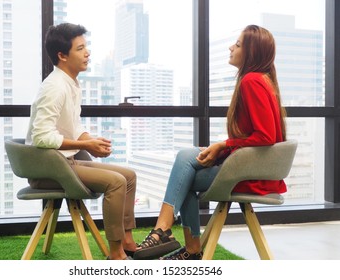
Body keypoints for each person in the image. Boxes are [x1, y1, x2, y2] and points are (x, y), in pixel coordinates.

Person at [133, 25, 287, 260]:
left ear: (251, 51)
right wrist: (222, 149)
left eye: (237, 44)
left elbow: (266, 137)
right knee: (186, 156)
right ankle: (169, 234)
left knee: (186, 176)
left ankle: (172, 235)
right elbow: (259, 137)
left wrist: (224, 146)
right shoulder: (261, 80)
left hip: (252, 178)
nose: (231, 47)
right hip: (254, 170)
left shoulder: (251, 81)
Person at [26, 23, 138, 260]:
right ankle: (116, 254)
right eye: (80, 48)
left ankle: (127, 241)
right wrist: (86, 146)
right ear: (62, 55)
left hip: (65, 162)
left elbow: (74, 128)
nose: (87, 53)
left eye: (86, 47)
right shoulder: (55, 88)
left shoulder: (70, 83)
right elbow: (41, 136)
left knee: (128, 175)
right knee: (117, 182)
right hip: (48, 169)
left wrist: (91, 141)